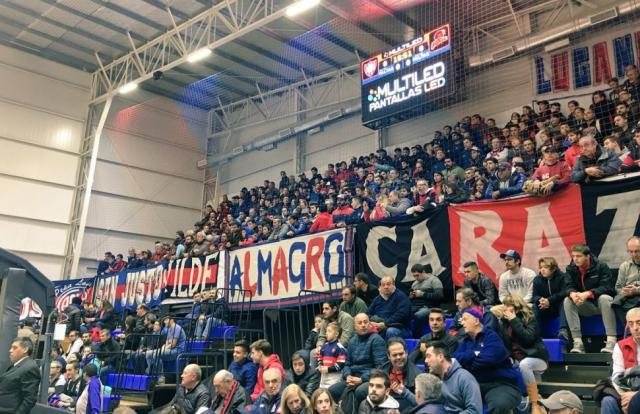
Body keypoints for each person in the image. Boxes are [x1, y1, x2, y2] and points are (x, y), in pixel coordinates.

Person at [453, 309, 524, 414]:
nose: (462, 322)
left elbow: (489, 360)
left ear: (476, 321)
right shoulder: (464, 341)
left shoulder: (492, 337)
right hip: (474, 386)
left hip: (500, 384)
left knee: (499, 404)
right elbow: (455, 359)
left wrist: (468, 363)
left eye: (465, 319)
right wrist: (474, 354)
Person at [491, 295, 548, 414]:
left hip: (537, 358)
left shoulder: (530, 318)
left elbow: (528, 338)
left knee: (524, 364)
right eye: (504, 306)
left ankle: (534, 403)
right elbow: (506, 345)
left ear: (517, 307)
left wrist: (514, 320)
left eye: (508, 306)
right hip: (517, 360)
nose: (505, 309)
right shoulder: (504, 322)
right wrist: (509, 358)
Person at [563, 243, 617, 353]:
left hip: (600, 305)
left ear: (587, 256)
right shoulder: (571, 268)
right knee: (567, 300)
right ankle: (578, 343)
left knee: (605, 298)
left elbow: (608, 288)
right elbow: (567, 286)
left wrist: (588, 293)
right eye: (573, 256)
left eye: (578, 256)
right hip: (585, 306)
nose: (575, 259)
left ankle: (611, 341)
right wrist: (573, 294)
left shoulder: (601, 266)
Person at [328, 313, 387, 410]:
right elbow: (347, 364)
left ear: (369, 324)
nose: (363, 325)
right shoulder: (352, 341)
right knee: (332, 390)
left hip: (370, 379)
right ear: (355, 327)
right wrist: (347, 376)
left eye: (365, 322)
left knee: (359, 391)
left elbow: (380, 367)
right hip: (353, 378)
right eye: (360, 323)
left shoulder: (377, 340)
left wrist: (362, 379)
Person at [600, 307, 640, 414]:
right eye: (631, 324)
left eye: (639, 322)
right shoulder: (621, 346)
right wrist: (626, 397)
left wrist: (635, 395)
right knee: (608, 401)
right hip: (627, 392)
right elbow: (617, 377)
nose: (635, 327)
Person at [424, 342, 482, 414]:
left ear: (440, 357)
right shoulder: (437, 377)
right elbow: (425, 403)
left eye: (428, 356)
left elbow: (475, 411)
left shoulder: (465, 378)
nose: (425, 361)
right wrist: (406, 393)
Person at [0, 337, 41, 414]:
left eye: (14, 348)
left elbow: (29, 399)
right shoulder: (17, 365)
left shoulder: (30, 367)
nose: (10, 350)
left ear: (25, 349)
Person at [379, 338, 420, 412]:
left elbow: (419, 402)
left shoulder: (417, 374)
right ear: (389, 356)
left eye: (401, 354)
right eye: (394, 355)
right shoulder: (382, 370)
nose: (398, 357)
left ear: (406, 353)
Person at [532, 257, 569, 339]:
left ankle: (563, 330)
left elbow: (565, 292)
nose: (542, 270)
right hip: (544, 307)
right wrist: (540, 300)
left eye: (545, 267)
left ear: (553, 268)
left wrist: (549, 300)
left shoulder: (562, 277)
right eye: (541, 267)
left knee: (565, 301)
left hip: (558, 307)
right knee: (534, 306)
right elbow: (534, 296)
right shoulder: (537, 279)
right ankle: (534, 333)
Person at [147, 316, 186, 382]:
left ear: (172, 320)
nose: (164, 322)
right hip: (170, 350)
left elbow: (173, 344)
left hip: (178, 351)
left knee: (156, 354)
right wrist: (164, 348)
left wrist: (164, 348)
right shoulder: (169, 329)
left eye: (166, 320)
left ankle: (161, 377)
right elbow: (167, 343)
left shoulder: (177, 328)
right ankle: (152, 374)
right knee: (148, 353)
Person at [409, 264, 444, 338]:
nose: (416, 278)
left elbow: (440, 296)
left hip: (430, 307)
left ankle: (417, 338)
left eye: (417, 275)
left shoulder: (434, 280)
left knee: (418, 315)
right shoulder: (414, 284)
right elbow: (411, 298)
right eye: (414, 276)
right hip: (417, 306)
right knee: (403, 312)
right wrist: (411, 296)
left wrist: (423, 294)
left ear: (423, 272)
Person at [612, 237, 640, 326]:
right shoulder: (624, 266)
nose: (634, 254)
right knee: (615, 302)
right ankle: (630, 331)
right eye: (631, 251)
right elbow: (618, 287)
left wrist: (636, 290)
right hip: (629, 298)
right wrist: (624, 291)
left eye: (637, 251)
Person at [317, 322, 347, 389]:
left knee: (332, 392)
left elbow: (340, 364)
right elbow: (320, 357)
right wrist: (320, 365)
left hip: (335, 376)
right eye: (326, 331)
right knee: (322, 392)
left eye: (329, 331)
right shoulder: (324, 346)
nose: (326, 333)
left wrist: (328, 369)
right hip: (324, 375)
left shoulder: (340, 347)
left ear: (336, 334)